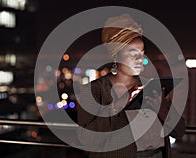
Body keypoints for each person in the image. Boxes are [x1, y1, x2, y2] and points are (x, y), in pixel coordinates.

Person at [76, 13, 185, 158]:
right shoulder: (94, 91)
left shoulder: (151, 87)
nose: (140, 59)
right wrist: (117, 106)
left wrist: (164, 111)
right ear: (116, 55)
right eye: (132, 53)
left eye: (142, 53)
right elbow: (86, 139)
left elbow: (179, 131)